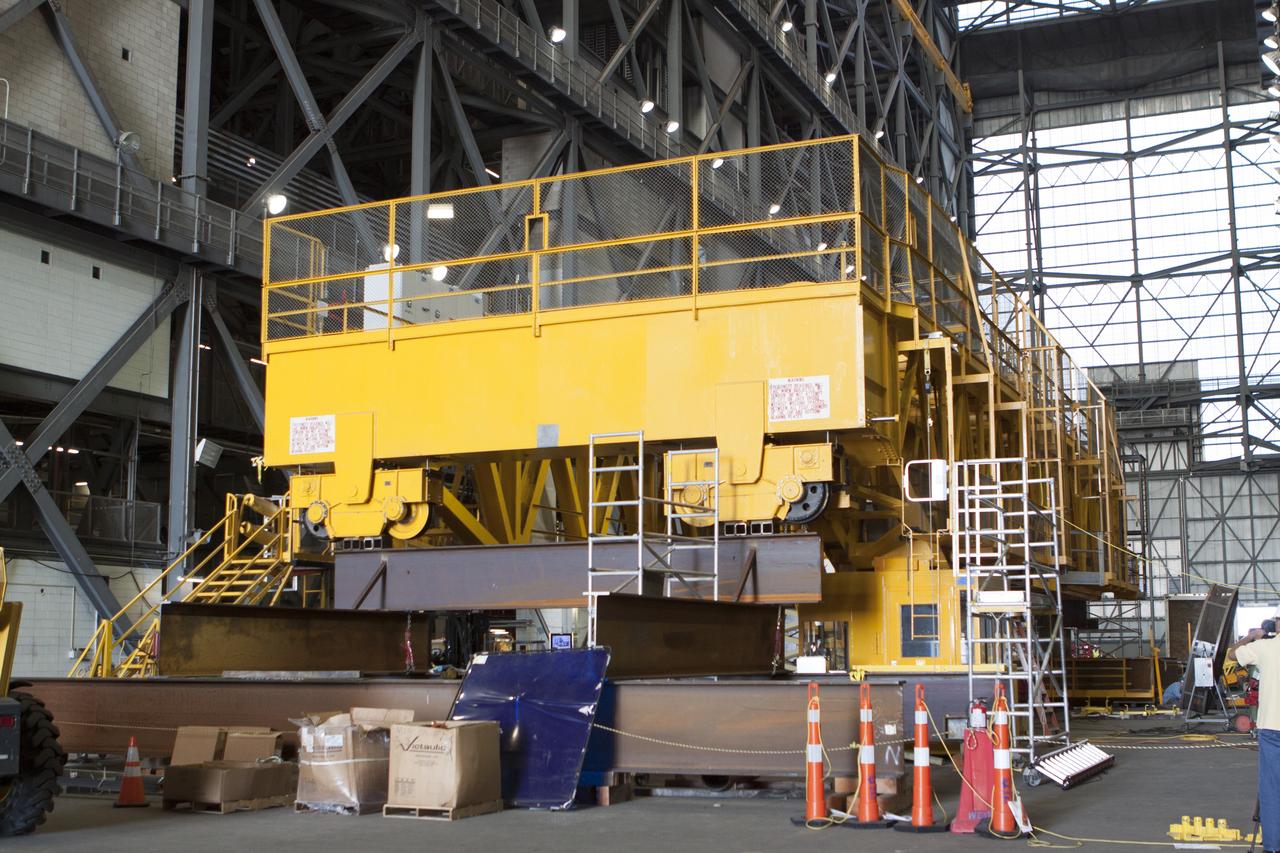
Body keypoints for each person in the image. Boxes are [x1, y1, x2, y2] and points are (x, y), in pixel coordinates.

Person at [1227, 622, 1280, 853]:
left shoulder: (1265, 647)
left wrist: (1251, 636)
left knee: (1271, 789)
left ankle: (1273, 846)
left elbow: (1231, 654)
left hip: (1272, 729)